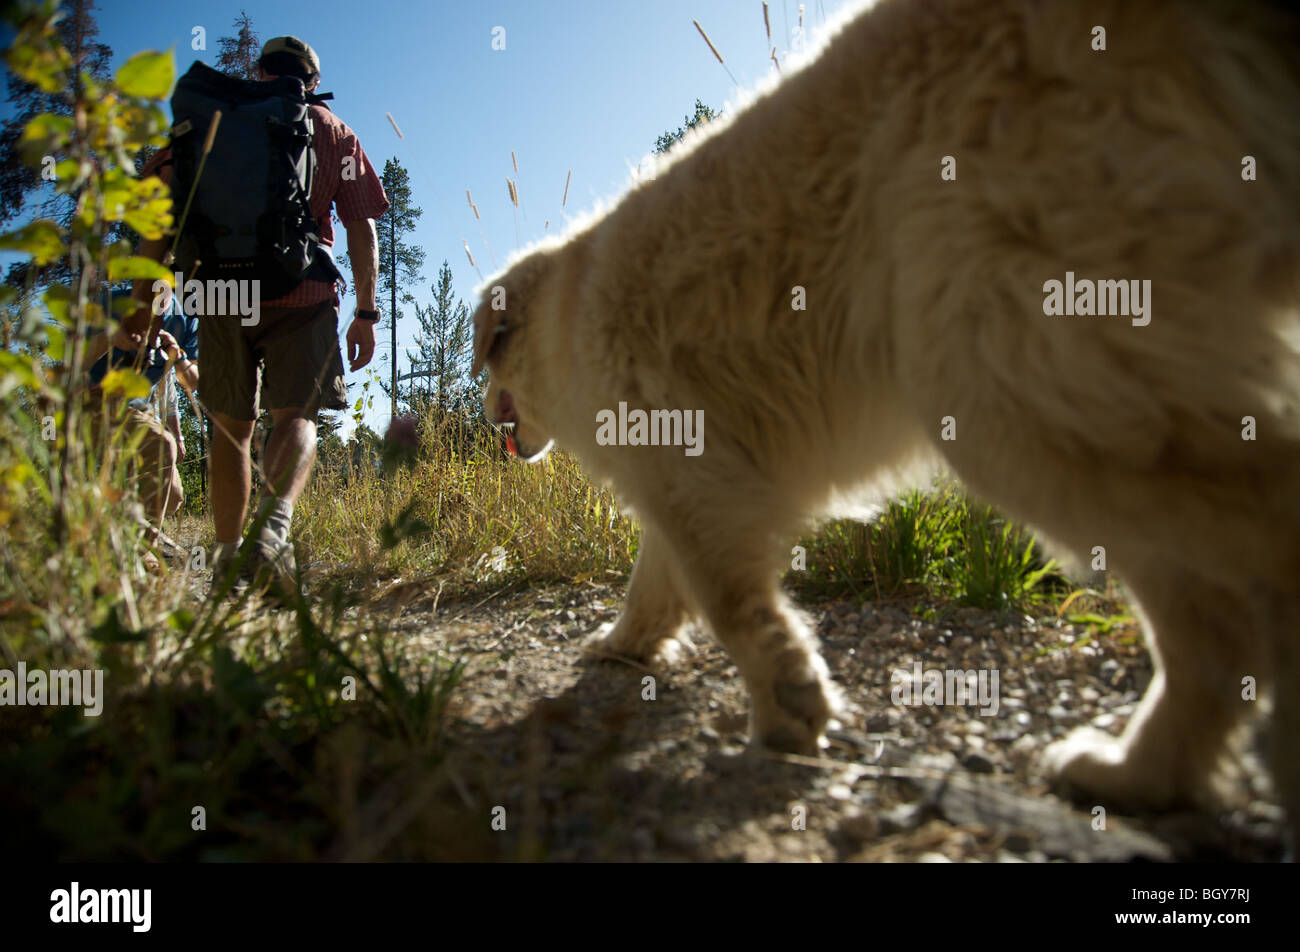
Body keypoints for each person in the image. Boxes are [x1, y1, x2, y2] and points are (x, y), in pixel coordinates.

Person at [130, 36, 388, 597]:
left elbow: (155, 219)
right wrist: (365, 312)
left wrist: (141, 306)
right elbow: (362, 225)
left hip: (219, 291)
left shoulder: (209, 122)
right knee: (297, 414)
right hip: (302, 288)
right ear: (312, 81)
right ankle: (272, 531)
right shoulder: (332, 129)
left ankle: (226, 564)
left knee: (230, 426)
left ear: (259, 70)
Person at [85, 289, 200, 560]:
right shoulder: (108, 303)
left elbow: (190, 383)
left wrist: (178, 355)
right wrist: (109, 339)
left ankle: (128, 527)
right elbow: (74, 362)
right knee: (161, 446)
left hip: (142, 410)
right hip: (94, 398)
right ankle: (141, 552)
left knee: (173, 496)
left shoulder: (186, 318)